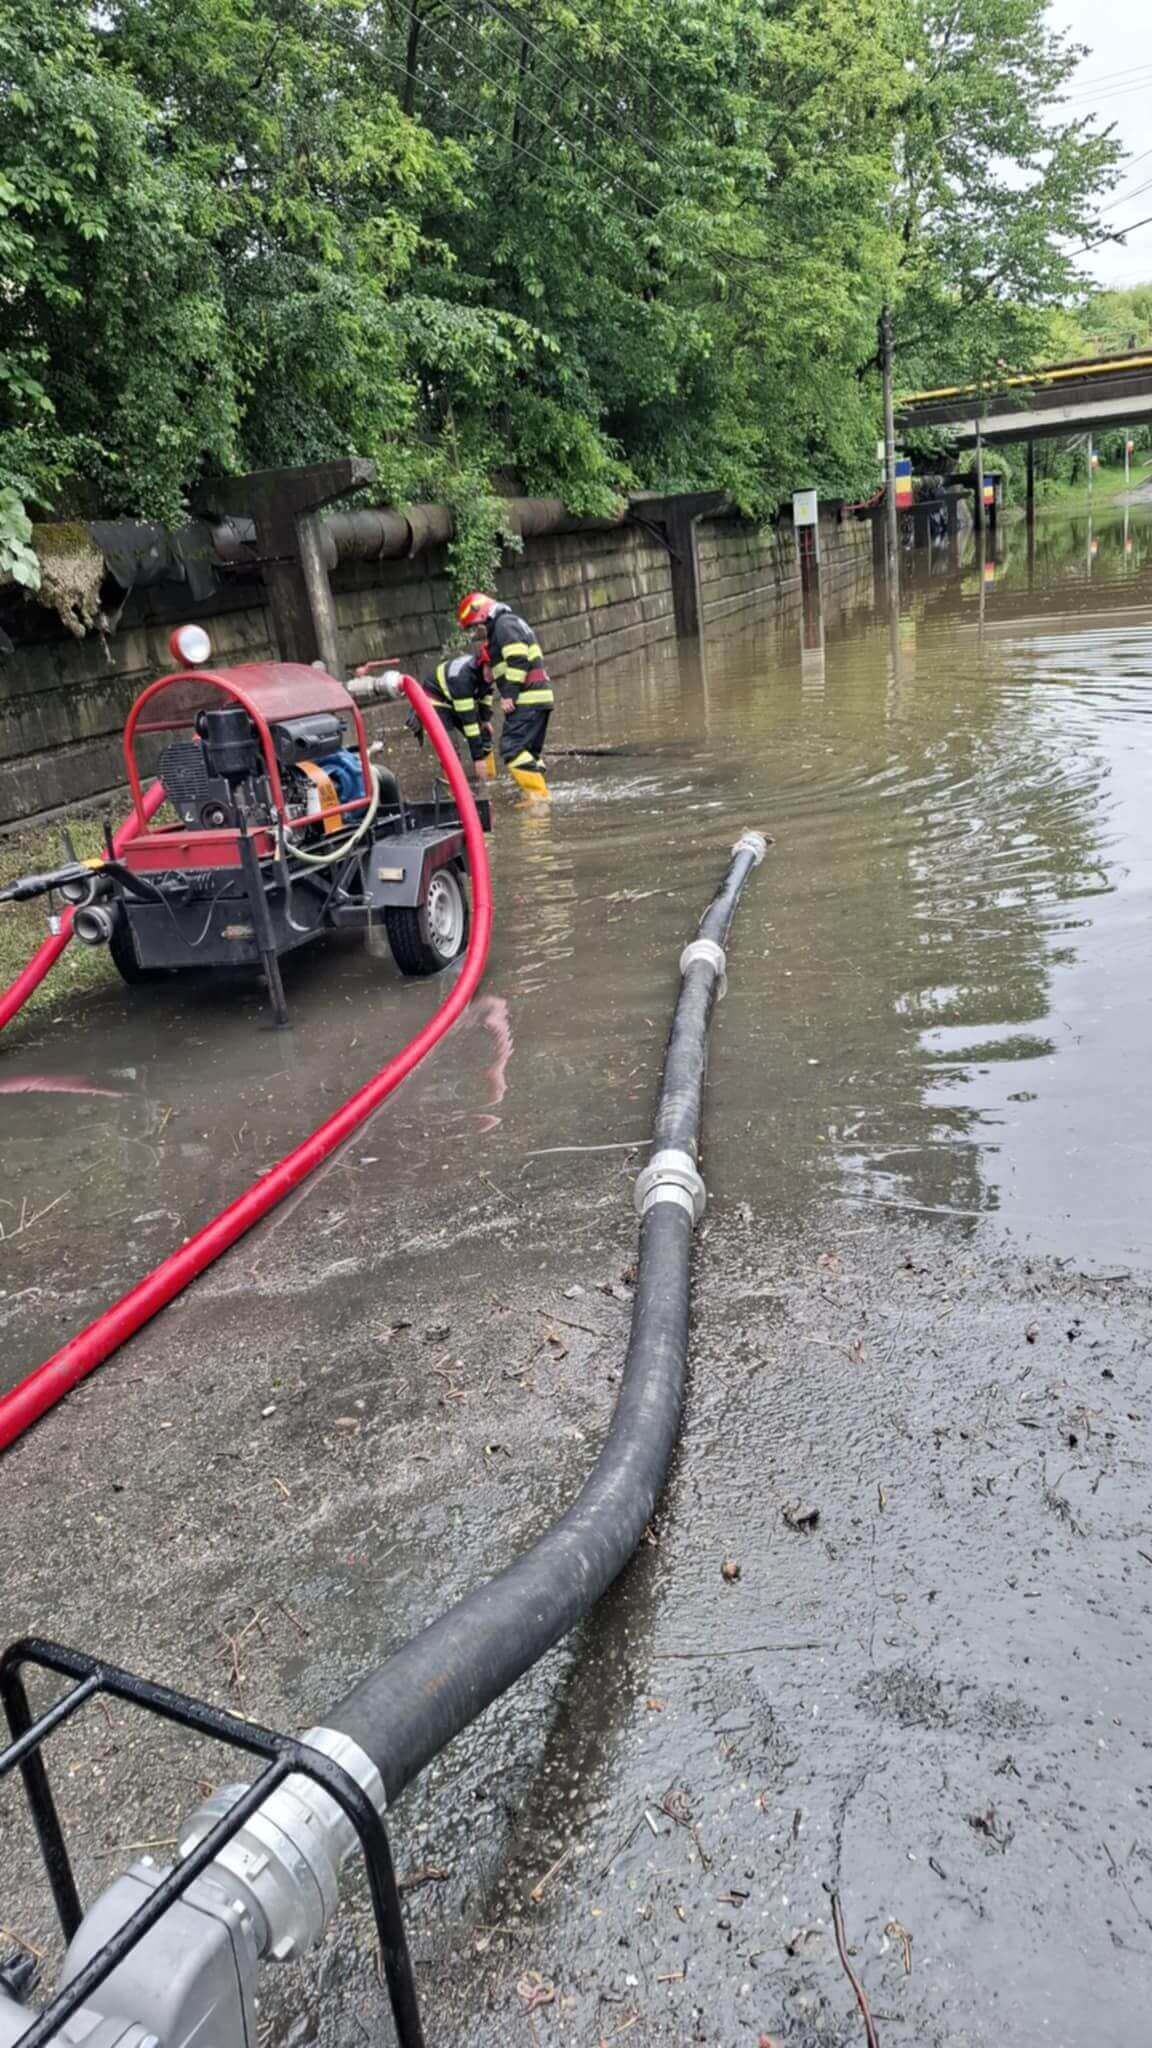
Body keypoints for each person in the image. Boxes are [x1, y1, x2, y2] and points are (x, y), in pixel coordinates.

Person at [456, 591, 552, 799]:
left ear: (482, 614)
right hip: (538, 697)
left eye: (475, 626)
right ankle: (537, 796)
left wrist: (509, 694)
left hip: (527, 699)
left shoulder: (503, 624)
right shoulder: (510, 623)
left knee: (512, 748)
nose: (476, 632)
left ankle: (539, 799)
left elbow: (518, 658)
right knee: (529, 752)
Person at [415, 651, 496, 779]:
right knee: (450, 747)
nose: (492, 674)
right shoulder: (464, 679)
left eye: (495, 670)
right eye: (489, 668)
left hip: (454, 696)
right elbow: (469, 723)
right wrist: (478, 759)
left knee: (484, 734)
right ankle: (453, 786)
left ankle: (489, 779)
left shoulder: (489, 674)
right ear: (482, 664)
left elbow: (487, 692)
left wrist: (485, 719)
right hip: (435, 698)